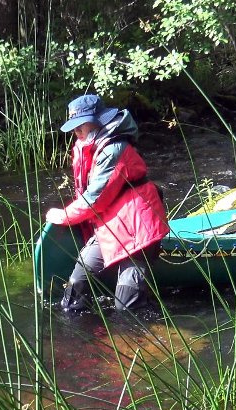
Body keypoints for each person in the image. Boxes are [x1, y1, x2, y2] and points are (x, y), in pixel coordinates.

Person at [45, 94, 170, 312]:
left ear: (96, 121)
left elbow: (95, 200)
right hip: (110, 226)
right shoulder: (91, 145)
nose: (75, 132)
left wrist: (62, 216)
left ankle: (151, 334)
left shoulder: (114, 149)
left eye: (79, 126)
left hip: (137, 229)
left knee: (127, 308)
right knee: (75, 288)